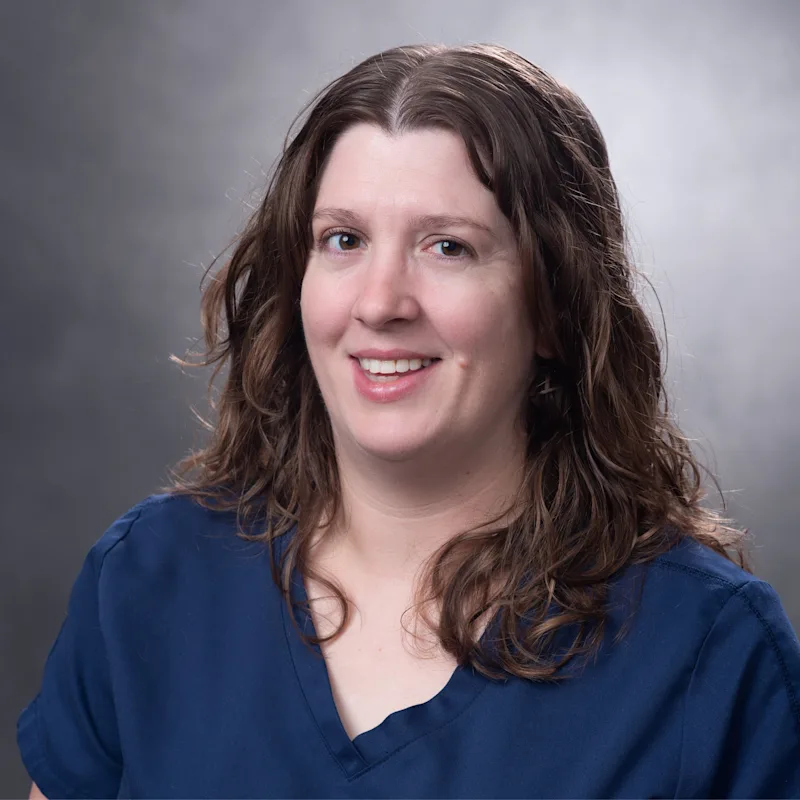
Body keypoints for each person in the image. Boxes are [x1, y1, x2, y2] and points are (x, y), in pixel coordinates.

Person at [18, 42, 800, 799]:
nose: (381, 301)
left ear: (555, 309)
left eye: (448, 247)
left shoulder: (709, 648)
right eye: (344, 240)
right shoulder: (146, 582)